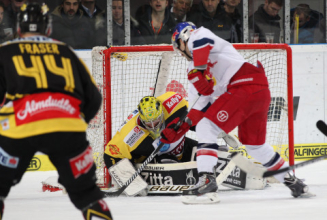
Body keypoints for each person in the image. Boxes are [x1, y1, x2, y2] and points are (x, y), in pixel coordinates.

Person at [163, 22, 313, 204]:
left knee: (207, 126)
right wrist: (183, 127)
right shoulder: (192, 70)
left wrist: (200, 70)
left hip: (244, 86)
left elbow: (202, 42)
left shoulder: (199, 35)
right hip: (259, 91)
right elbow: (200, 105)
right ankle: (293, 183)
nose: (179, 52)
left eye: (178, 45)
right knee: (255, 146)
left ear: (184, 37)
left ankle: (206, 182)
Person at [0, 3, 113, 219]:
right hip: (67, 128)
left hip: (19, 128)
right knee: (88, 196)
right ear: (47, 28)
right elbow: (94, 98)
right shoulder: (65, 51)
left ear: (18, 28)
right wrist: (75, 124)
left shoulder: (5, 51)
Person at [104, 92, 197, 171]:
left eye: (156, 121)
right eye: (148, 124)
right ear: (141, 119)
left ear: (162, 113)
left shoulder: (174, 104)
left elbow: (195, 116)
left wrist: (187, 126)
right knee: (168, 161)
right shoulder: (130, 133)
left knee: (204, 149)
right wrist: (133, 183)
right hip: (152, 159)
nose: (153, 127)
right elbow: (110, 155)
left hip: (181, 148)